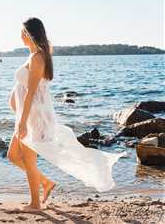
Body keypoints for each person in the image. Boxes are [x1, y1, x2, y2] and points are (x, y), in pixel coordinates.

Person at [7, 17, 126, 213]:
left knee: (28, 160)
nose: (19, 35)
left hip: (32, 118)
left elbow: (31, 92)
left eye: (21, 31)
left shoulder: (37, 57)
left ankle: (35, 204)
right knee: (12, 156)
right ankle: (46, 183)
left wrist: (22, 121)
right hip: (26, 115)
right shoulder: (36, 54)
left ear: (28, 33)